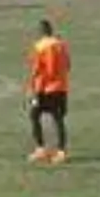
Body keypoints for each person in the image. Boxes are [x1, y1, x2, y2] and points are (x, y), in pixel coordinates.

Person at [26, 18, 72, 165]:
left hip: (44, 88)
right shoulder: (61, 45)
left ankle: (41, 149)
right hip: (61, 87)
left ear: (40, 32)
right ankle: (61, 152)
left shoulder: (39, 47)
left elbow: (37, 69)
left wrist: (32, 88)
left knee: (34, 115)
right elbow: (68, 65)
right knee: (58, 119)